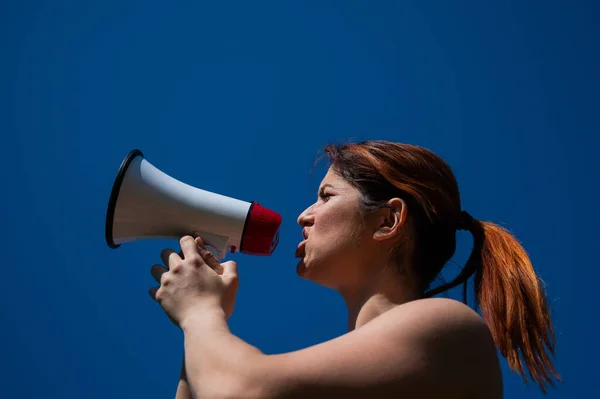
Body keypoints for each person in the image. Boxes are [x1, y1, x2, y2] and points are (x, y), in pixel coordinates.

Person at [149, 140, 560, 398]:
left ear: (387, 221)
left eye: (326, 196)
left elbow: (242, 389)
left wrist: (202, 314)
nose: (302, 217)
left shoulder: (448, 327)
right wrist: (197, 326)